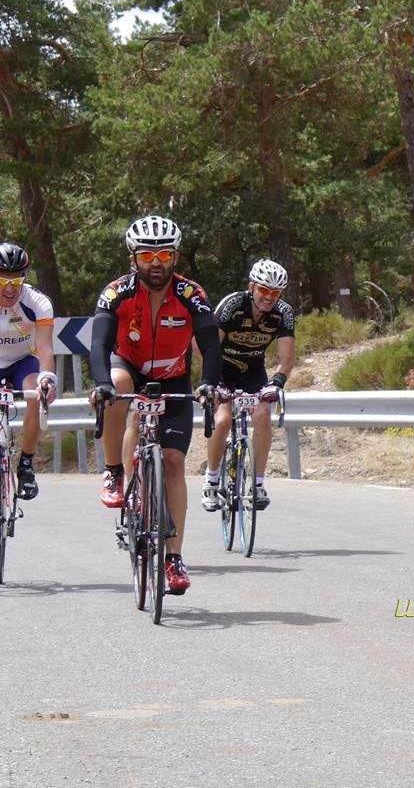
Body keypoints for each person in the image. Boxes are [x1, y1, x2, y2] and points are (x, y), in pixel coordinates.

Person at [89, 215, 222, 596]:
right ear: (134, 259)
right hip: (126, 367)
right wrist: (100, 384)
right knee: (119, 387)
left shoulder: (191, 294)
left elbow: (211, 344)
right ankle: (115, 470)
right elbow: (98, 345)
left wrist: (209, 382)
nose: (156, 262)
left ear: (175, 257)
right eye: (147, 254)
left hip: (173, 377)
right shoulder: (116, 293)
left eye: (164, 254)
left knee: (174, 462)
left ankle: (174, 558)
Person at [201, 259, 295, 511]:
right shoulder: (232, 305)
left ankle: (258, 484)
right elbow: (208, 348)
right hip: (221, 369)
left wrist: (277, 382)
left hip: (253, 372)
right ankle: (210, 480)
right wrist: (212, 382)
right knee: (222, 420)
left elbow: (286, 358)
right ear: (251, 286)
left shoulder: (283, 313)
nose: (269, 297)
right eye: (264, 290)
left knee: (263, 414)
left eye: (275, 292)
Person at [0, 242, 57, 499]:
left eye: (16, 280)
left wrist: (48, 380)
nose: (10, 288)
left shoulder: (37, 302)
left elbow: (45, 348)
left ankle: (25, 465)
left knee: (36, 391)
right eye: (2, 281)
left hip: (23, 360)